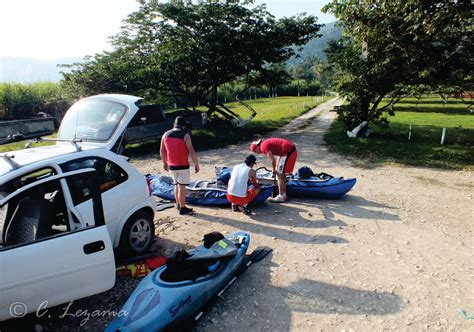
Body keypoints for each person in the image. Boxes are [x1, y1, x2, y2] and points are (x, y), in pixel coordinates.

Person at [160, 116, 200, 215]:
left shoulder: (166, 134)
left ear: (174, 124)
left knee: (176, 185)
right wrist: (196, 164)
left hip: (172, 165)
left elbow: (162, 150)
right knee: (182, 186)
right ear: (184, 125)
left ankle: (178, 204)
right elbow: (191, 151)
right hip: (183, 165)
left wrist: (165, 163)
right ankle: (182, 208)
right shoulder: (185, 135)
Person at [250, 137, 297, 203]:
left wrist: (274, 169)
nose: (257, 153)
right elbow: (278, 153)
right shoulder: (265, 143)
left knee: (279, 174)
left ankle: (281, 196)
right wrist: (276, 168)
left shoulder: (263, 147)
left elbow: (272, 160)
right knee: (281, 174)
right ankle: (284, 195)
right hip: (289, 150)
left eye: (255, 151)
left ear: (257, 147)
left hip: (288, 151)